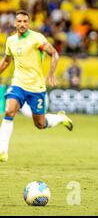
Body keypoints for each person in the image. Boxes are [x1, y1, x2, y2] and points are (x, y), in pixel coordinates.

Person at [0, 10, 73, 162]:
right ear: (15, 23)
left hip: (36, 87)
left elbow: (54, 54)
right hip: (18, 83)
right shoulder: (11, 41)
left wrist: (51, 73)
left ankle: (60, 118)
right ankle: (2, 151)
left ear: (29, 23)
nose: (22, 24)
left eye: (25, 21)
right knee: (8, 111)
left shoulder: (37, 38)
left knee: (40, 124)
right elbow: (7, 60)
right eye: (19, 21)